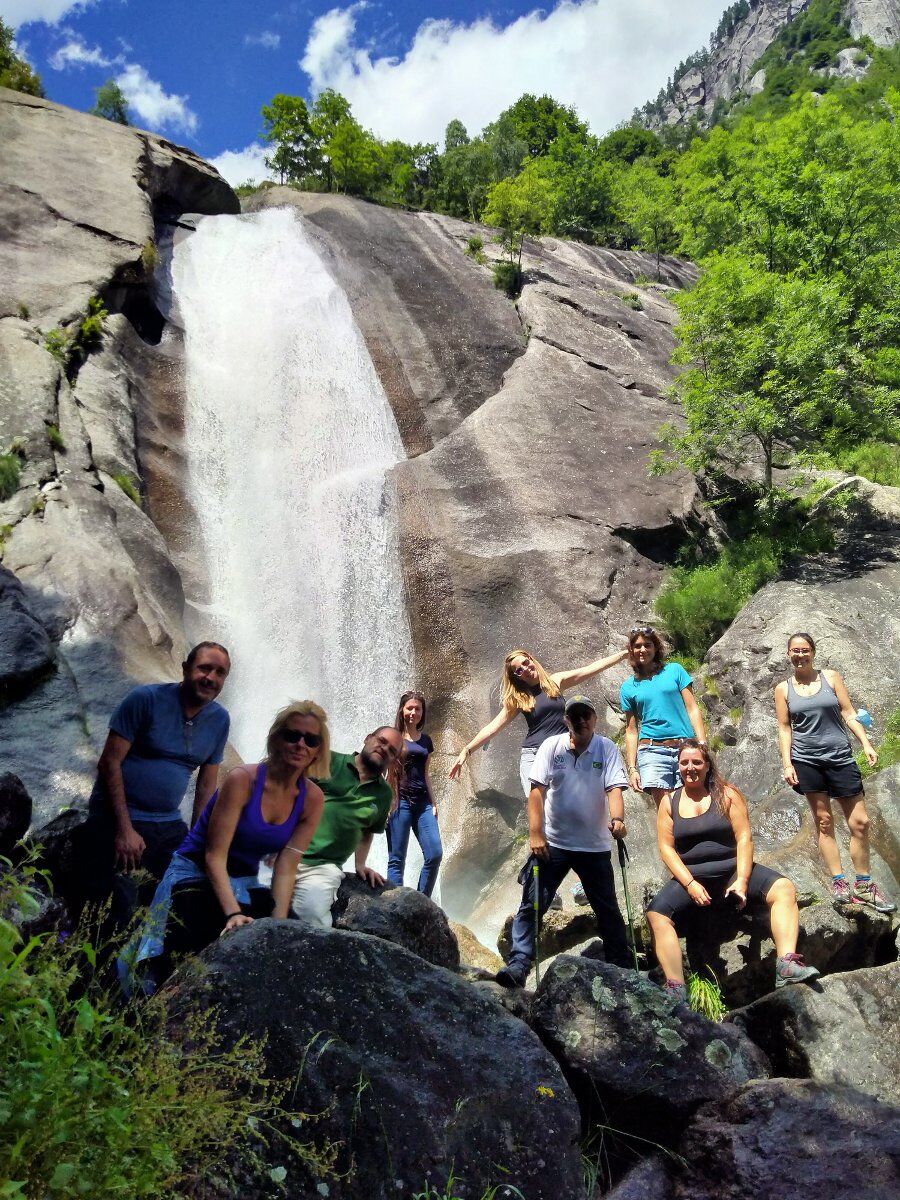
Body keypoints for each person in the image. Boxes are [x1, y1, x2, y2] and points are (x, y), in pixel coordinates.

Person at [121, 701, 328, 992]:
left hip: (244, 879)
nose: (300, 744)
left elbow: (285, 867)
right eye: (292, 735)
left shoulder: (312, 798)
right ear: (276, 739)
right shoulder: (242, 779)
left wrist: (277, 926)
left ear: (319, 749)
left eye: (311, 739)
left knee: (293, 943)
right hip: (195, 873)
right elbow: (213, 856)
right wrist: (232, 914)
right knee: (191, 940)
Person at [646, 740, 820, 1000]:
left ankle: (786, 964)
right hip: (693, 879)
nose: (690, 768)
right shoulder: (669, 803)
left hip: (732, 871)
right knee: (657, 913)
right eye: (684, 763)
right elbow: (666, 849)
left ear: (707, 766)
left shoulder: (727, 795)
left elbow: (744, 838)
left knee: (783, 888)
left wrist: (742, 879)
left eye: (696, 762)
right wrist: (690, 884)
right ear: (678, 766)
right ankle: (676, 988)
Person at [79, 641, 232, 926]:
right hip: (119, 819)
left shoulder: (219, 720)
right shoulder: (145, 699)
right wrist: (124, 830)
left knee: (188, 896)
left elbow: (205, 786)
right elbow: (109, 763)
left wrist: (197, 841)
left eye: (220, 673)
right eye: (204, 668)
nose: (211, 678)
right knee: (119, 907)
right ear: (185, 668)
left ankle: (163, 967)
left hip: (168, 825)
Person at [495, 695, 633, 988]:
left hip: (593, 846)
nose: (581, 721)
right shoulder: (551, 746)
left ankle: (622, 966)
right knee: (532, 904)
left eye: (586, 715)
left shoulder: (606, 748)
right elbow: (536, 792)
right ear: (566, 720)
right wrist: (535, 834)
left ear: (594, 719)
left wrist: (618, 820)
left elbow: (614, 791)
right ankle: (519, 963)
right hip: (554, 844)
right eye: (575, 716)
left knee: (607, 909)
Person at [774, 632, 894, 913]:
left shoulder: (831, 677)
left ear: (813, 652)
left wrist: (865, 743)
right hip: (807, 761)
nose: (800, 655)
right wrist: (787, 763)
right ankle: (839, 882)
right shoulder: (783, 689)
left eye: (804, 650)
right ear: (788, 654)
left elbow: (849, 712)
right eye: (795, 651)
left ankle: (863, 886)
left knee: (860, 822)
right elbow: (784, 728)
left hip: (840, 757)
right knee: (824, 822)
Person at [292, 725, 404, 928]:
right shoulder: (328, 760)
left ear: (393, 760)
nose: (384, 749)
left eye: (392, 750)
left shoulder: (384, 794)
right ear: (367, 737)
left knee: (314, 918)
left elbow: (368, 831)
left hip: (323, 867)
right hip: (285, 851)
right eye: (381, 741)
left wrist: (360, 865)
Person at [621, 626, 706, 807]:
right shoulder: (628, 687)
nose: (642, 649)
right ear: (632, 651)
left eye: (647, 645)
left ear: (656, 648)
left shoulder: (675, 671)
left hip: (684, 747)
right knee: (665, 810)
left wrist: (702, 744)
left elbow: (692, 708)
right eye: (637, 646)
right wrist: (632, 768)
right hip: (652, 751)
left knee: (690, 806)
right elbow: (631, 730)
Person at [386, 691, 442, 897]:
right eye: (410, 708)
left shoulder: (426, 741)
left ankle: (421, 903)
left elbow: (426, 774)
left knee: (435, 854)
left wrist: (434, 802)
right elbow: (386, 771)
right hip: (399, 802)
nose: (413, 712)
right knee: (396, 859)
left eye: (417, 709)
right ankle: (394, 906)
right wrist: (386, 802)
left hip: (423, 804)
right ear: (402, 710)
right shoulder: (393, 738)